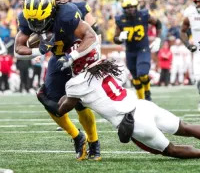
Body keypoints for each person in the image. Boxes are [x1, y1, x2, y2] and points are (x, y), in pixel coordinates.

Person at [46, 50, 200, 159]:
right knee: (185, 127)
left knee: (170, 150)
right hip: (143, 106)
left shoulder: (76, 84)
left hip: (134, 122)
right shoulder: (104, 66)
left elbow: (61, 110)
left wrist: (44, 98)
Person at [14, 0, 101, 161]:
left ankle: (94, 143)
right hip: (57, 57)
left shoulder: (67, 14)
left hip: (76, 56)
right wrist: (40, 51)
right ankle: (77, 137)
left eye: (41, 20)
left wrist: (73, 56)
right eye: (33, 21)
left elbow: (91, 37)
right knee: (49, 100)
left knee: (79, 103)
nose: (37, 25)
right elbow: (18, 49)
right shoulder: (27, 17)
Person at [52, 0, 101, 132]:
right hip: (62, 53)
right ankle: (67, 122)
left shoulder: (79, 7)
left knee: (80, 93)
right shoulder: (52, 11)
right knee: (63, 90)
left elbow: (94, 29)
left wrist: (96, 49)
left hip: (79, 52)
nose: (61, 0)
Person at [113, 0, 162, 101]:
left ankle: (147, 93)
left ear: (136, 7)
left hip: (142, 49)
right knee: (135, 77)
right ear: (124, 9)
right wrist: (120, 38)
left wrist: (158, 39)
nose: (130, 9)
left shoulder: (143, 15)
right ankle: (141, 100)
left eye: (132, 7)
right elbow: (115, 38)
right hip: (130, 51)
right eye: (128, 7)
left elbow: (158, 23)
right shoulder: (121, 20)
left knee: (143, 73)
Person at [180, 0, 200, 108]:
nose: (199, 4)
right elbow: (182, 31)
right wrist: (188, 44)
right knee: (198, 79)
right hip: (198, 52)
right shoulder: (190, 16)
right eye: (197, 2)